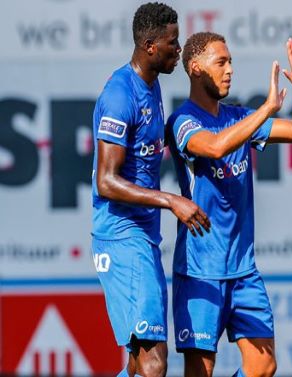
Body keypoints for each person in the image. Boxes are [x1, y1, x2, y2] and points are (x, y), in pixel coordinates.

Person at [166, 32, 292, 377]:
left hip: (244, 270)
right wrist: (265, 110)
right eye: (221, 62)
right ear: (195, 68)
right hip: (200, 270)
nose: (230, 69)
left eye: (231, 62)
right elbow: (214, 147)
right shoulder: (182, 121)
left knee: (263, 365)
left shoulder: (238, 117)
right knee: (201, 369)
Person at [91, 3, 210, 377]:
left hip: (144, 238)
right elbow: (105, 182)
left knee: (138, 362)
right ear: (149, 46)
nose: (179, 48)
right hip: (121, 238)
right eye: (172, 43)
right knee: (154, 364)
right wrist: (171, 200)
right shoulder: (120, 95)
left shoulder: (151, 84)